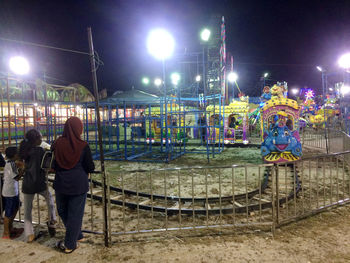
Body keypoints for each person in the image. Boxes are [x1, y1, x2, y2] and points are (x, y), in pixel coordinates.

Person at [52, 117, 95, 254]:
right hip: (78, 184)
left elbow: (54, 164)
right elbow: (90, 167)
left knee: (63, 211)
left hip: (61, 183)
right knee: (74, 214)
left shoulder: (57, 143)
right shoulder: (83, 146)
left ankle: (73, 239)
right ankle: (73, 241)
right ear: (79, 129)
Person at [19, 129, 57, 243]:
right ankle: (52, 221)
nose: (41, 139)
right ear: (35, 140)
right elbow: (49, 160)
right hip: (40, 183)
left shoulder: (23, 151)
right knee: (50, 200)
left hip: (28, 183)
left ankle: (29, 234)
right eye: (40, 138)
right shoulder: (40, 150)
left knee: (27, 210)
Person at [1, 146, 23, 239]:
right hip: (10, 192)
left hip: (12, 191)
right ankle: (6, 233)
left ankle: (10, 228)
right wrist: (23, 169)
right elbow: (17, 178)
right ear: (15, 155)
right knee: (8, 212)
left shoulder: (10, 163)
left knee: (17, 206)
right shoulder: (11, 164)